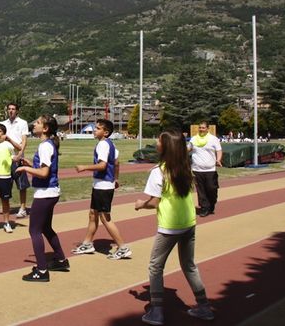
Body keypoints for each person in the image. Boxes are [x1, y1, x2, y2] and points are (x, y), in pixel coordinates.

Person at [134, 130, 214, 325]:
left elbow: (154, 202)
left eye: (159, 140)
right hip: (188, 223)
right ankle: (204, 306)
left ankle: (157, 311)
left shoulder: (159, 171)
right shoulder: (185, 167)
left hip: (170, 226)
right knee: (189, 265)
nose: (156, 142)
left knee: (155, 266)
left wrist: (141, 204)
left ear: (166, 147)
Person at [16, 115, 69, 282]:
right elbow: (45, 168)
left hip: (45, 193)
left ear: (45, 129)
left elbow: (44, 173)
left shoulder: (45, 146)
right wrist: (31, 164)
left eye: (38, 123)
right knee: (46, 228)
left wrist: (25, 169)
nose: (34, 125)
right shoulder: (48, 144)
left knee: (35, 231)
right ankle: (60, 260)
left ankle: (42, 270)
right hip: (51, 192)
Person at [72, 119, 131, 260]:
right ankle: (87, 243)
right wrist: (116, 179)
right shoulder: (111, 144)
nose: (94, 130)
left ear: (106, 132)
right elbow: (116, 163)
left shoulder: (103, 145)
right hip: (102, 185)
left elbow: (102, 165)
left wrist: (84, 167)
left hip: (103, 186)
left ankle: (123, 247)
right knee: (93, 214)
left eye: (98, 128)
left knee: (105, 218)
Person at [0, 103, 30, 219]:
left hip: (17, 158)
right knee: (1, 183)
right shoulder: (2, 124)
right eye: (9, 109)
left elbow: (24, 141)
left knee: (22, 185)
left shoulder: (22, 123)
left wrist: (21, 153)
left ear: (17, 111)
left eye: (13, 109)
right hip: (5, 158)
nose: (11, 111)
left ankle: (22, 208)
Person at [188, 121, 222, 217]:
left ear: (207, 129)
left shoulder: (213, 139)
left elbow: (219, 150)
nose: (201, 129)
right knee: (201, 190)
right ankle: (204, 208)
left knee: (211, 188)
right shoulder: (194, 139)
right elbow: (188, 148)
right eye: (200, 127)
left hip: (210, 170)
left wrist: (218, 160)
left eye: (203, 128)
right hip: (197, 169)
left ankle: (212, 203)